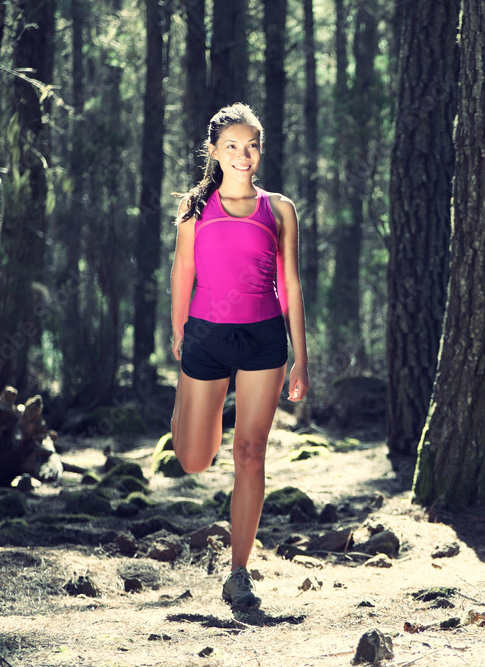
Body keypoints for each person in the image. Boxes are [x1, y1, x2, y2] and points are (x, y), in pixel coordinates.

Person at [169, 103, 309, 608]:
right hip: (206, 335)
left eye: (251, 145)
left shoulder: (280, 209)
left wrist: (300, 357)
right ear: (214, 151)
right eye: (231, 145)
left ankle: (239, 571)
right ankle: (185, 411)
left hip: (263, 339)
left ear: (260, 150)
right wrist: (178, 331)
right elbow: (182, 272)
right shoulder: (194, 211)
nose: (242, 155)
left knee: (250, 452)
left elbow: (290, 284)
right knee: (193, 460)